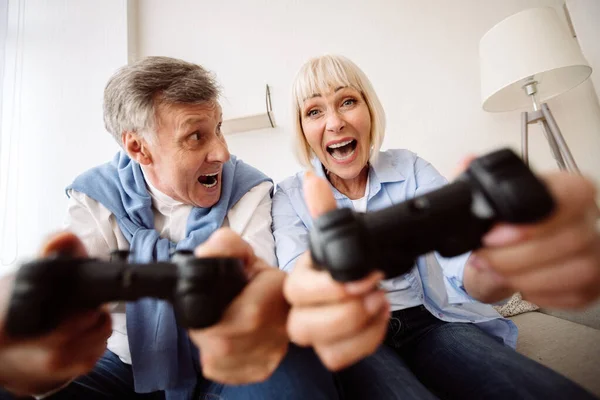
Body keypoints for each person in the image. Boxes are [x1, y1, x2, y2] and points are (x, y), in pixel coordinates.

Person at [272, 54, 600, 399]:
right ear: (302, 129)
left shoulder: (410, 167)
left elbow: (462, 257)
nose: (335, 122)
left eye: (347, 101)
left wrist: (497, 267)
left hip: (431, 322)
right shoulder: (289, 196)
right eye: (314, 111)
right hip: (360, 336)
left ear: (369, 109)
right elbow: (297, 278)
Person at [27, 56, 339, 400]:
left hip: (222, 360)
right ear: (138, 148)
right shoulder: (95, 197)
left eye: (218, 128)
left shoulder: (248, 189)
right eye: (196, 136)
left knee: (290, 378)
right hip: (123, 365)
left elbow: (256, 296)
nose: (222, 152)